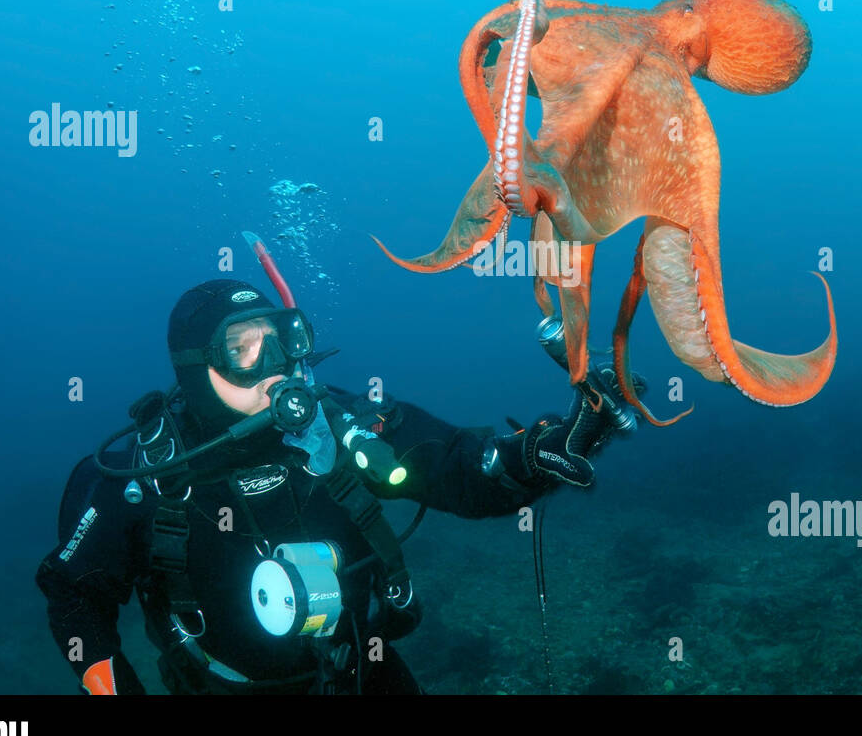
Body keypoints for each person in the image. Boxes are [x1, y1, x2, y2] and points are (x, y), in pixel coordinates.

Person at [36, 278, 628, 694]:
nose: (271, 364)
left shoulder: (342, 425)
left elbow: (456, 467)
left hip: (361, 669)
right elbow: (73, 596)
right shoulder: (138, 478)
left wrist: (531, 457)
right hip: (222, 689)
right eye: (240, 349)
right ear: (196, 370)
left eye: (280, 339)